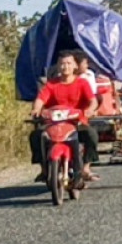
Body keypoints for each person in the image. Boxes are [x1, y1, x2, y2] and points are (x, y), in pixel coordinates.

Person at [29, 50, 100, 183]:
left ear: (75, 66)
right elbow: (41, 99)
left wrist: (90, 110)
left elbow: (93, 101)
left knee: (91, 135)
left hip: (76, 122)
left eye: (68, 63)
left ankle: (85, 167)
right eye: (62, 63)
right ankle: (44, 169)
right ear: (57, 66)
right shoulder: (51, 84)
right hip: (54, 123)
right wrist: (36, 109)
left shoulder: (82, 83)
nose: (65, 66)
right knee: (36, 136)